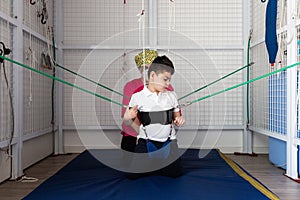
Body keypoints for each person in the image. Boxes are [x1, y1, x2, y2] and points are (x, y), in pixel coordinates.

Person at [123, 55, 185, 178]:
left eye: (169, 80)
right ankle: (152, 163)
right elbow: (126, 119)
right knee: (132, 175)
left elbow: (177, 117)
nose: (168, 84)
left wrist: (179, 120)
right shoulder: (137, 96)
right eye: (165, 79)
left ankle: (160, 164)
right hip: (146, 143)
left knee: (174, 174)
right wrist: (128, 116)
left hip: (168, 143)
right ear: (152, 76)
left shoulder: (171, 95)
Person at [121, 50, 174, 153]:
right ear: (140, 69)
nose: (148, 71)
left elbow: (172, 115)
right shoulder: (130, 86)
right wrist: (142, 135)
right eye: (145, 68)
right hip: (133, 134)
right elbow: (128, 118)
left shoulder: (167, 87)